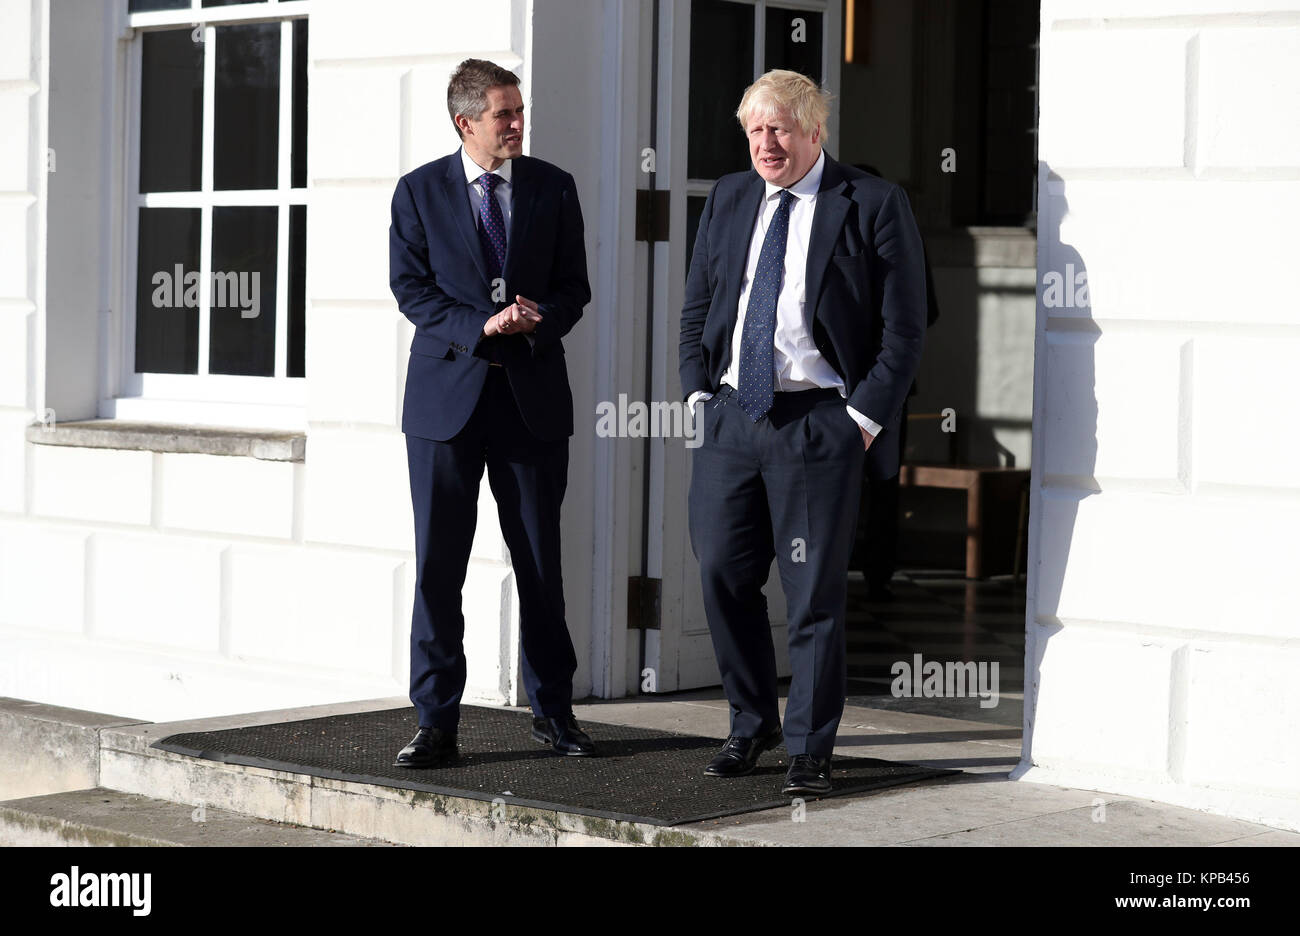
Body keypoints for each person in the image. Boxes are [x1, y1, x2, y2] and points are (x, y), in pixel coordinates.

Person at [678, 70, 927, 794]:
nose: (765, 143)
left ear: (815, 132)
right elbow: (698, 303)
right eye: (755, 130)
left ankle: (808, 750)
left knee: (814, 594)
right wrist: (696, 393)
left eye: (779, 128)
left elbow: (904, 329)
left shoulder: (872, 203)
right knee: (723, 575)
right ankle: (748, 725)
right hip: (732, 419)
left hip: (820, 423)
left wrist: (860, 418)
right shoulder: (727, 197)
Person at [388, 58, 595, 767]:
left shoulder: (553, 187)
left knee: (541, 564)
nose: (517, 124)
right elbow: (412, 292)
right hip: (446, 405)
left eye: (519, 110)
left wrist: (535, 322)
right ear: (465, 122)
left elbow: (576, 287)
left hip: (531, 402)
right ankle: (436, 722)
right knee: (437, 568)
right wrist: (482, 325)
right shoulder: (417, 193)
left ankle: (555, 714)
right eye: (503, 114)